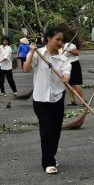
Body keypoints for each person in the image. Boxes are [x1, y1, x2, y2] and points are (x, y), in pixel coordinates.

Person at [23, 27, 71, 175]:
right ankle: (48, 162)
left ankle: (51, 155)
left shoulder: (63, 59)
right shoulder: (39, 54)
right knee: (47, 128)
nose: (60, 42)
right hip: (40, 98)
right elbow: (26, 69)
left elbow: (66, 73)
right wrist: (31, 52)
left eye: (62, 40)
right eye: (57, 39)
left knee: (56, 130)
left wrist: (66, 78)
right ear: (48, 38)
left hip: (57, 97)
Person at [62, 41, 84, 106]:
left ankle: (83, 100)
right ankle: (73, 100)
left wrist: (69, 50)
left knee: (76, 83)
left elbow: (77, 53)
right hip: (65, 65)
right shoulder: (57, 47)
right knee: (68, 83)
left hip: (74, 64)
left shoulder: (70, 45)